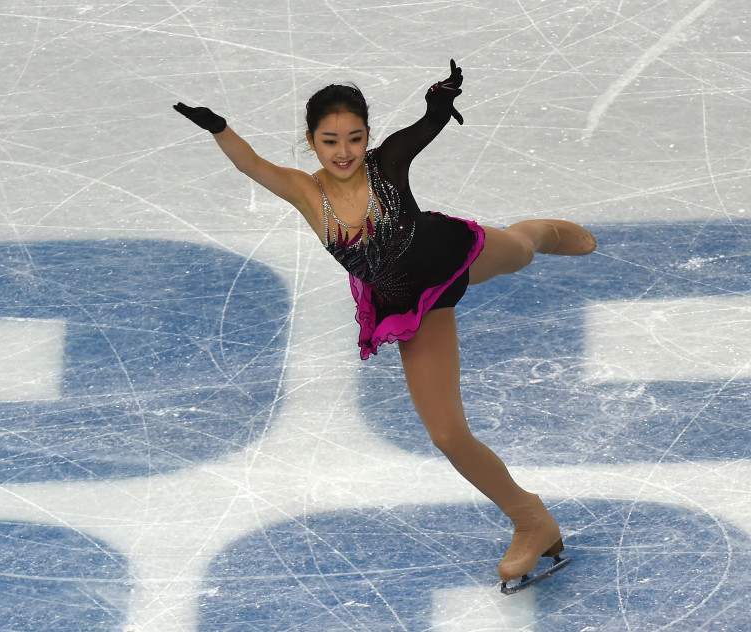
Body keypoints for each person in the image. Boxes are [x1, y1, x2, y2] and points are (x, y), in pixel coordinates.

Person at [173, 60, 596, 590]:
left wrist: (439, 103)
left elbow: (425, 127)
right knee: (446, 434)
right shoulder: (306, 192)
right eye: (330, 141)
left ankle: (538, 232)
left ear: (368, 135)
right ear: (311, 141)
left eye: (355, 138)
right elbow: (252, 165)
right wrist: (219, 128)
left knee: (521, 253)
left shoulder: (386, 163)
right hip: (414, 305)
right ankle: (531, 519)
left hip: (453, 254)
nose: (344, 151)